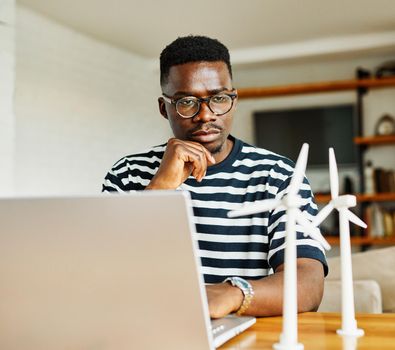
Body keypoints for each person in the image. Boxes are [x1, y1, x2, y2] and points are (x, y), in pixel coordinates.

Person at [103, 35, 327, 318]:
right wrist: (159, 189)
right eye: (187, 102)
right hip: (147, 325)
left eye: (219, 99)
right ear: (164, 108)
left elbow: (309, 284)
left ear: (233, 101)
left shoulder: (280, 175)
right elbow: (104, 271)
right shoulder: (126, 174)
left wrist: (233, 294)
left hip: (239, 329)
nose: (205, 115)